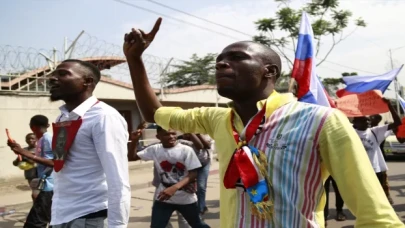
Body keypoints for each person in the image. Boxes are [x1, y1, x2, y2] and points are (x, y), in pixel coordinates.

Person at [123, 18, 403, 227]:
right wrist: (134, 60)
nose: (221, 64)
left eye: (236, 58)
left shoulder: (321, 121)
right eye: (219, 60)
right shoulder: (218, 118)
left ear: (269, 71)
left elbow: (375, 213)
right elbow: (154, 114)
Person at [48, 59, 130, 227]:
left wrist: (117, 225)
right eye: (53, 74)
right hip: (61, 213)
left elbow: (118, 180)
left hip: (88, 215)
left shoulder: (104, 117)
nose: (52, 78)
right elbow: (62, 164)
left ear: (87, 81)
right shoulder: (63, 117)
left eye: (62, 74)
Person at [128, 126, 209, 228]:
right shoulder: (155, 149)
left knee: (197, 224)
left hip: (185, 197)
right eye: (167, 134)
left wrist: (174, 188)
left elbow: (193, 174)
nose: (171, 136)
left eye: (173, 133)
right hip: (163, 197)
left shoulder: (186, 150)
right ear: (158, 136)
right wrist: (134, 140)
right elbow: (132, 157)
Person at [7, 115, 54, 228]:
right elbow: (38, 158)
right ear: (47, 125)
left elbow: (53, 162)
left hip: (49, 186)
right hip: (43, 184)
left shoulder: (48, 138)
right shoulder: (42, 139)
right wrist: (20, 150)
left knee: (36, 223)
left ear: (32, 127)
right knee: (48, 218)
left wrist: (24, 152)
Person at [178, 134, 212, 215]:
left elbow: (205, 146)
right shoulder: (180, 139)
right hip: (190, 166)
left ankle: (200, 209)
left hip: (203, 164)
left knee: (201, 187)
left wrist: (196, 134)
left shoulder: (204, 135)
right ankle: (199, 205)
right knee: (192, 188)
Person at [12, 133, 38, 201]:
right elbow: (15, 163)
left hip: (39, 174)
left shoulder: (39, 149)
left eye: (32, 138)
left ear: (36, 139)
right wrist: (18, 159)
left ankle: (40, 209)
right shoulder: (23, 150)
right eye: (28, 139)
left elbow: (34, 162)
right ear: (25, 140)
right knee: (34, 194)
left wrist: (25, 157)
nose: (30, 140)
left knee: (39, 194)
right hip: (30, 175)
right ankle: (36, 208)